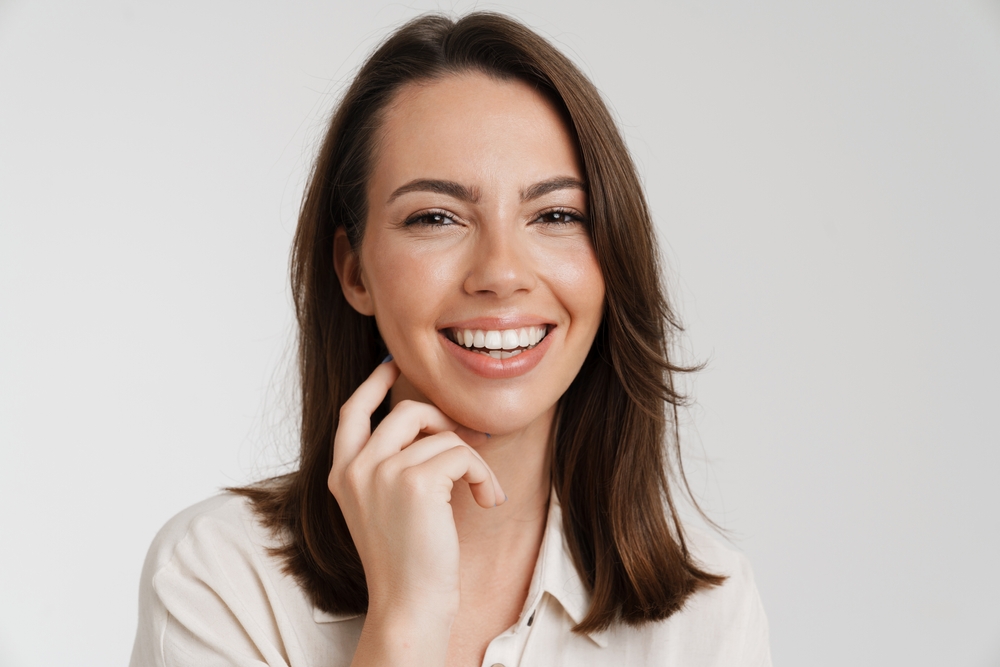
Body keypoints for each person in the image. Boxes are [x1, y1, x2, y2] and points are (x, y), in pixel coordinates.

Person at [129, 12, 771, 667]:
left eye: (555, 214)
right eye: (437, 217)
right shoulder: (219, 577)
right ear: (354, 272)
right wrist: (406, 618)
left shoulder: (709, 611)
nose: (501, 273)